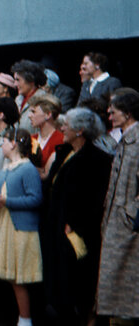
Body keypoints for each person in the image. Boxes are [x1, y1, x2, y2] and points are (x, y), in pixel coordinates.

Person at [41, 108, 113, 326]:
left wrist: (75, 225)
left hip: (78, 233)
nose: (62, 127)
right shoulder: (65, 152)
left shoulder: (97, 159)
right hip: (56, 227)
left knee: (80, 283)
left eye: (67, 125)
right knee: (59, 285)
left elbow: (96, 198)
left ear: (80, 130)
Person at [0, 128, 44, 326]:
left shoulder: (27, 169)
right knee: (10, 276)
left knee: (20, 277)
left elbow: (36, 199)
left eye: (4, 141)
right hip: (6, 226)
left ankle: (25, 319)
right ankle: (17, 317)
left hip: (21, 229)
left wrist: (6, 201)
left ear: (13, 143)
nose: (1, 145)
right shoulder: (6, 169)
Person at [96, 89, 139, 322]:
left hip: (128, 229)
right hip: (118, 224)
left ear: (128, 113)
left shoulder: (138, 139)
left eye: (115, 111)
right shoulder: (125, 137)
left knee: (126, 294)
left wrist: (129, 213)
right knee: (116, 291)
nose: (109, 115)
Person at [28, 92, 64, 173]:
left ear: (48, 115)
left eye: (33, 112)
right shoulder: (31, 139)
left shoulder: (61, 141)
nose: (29, 116)